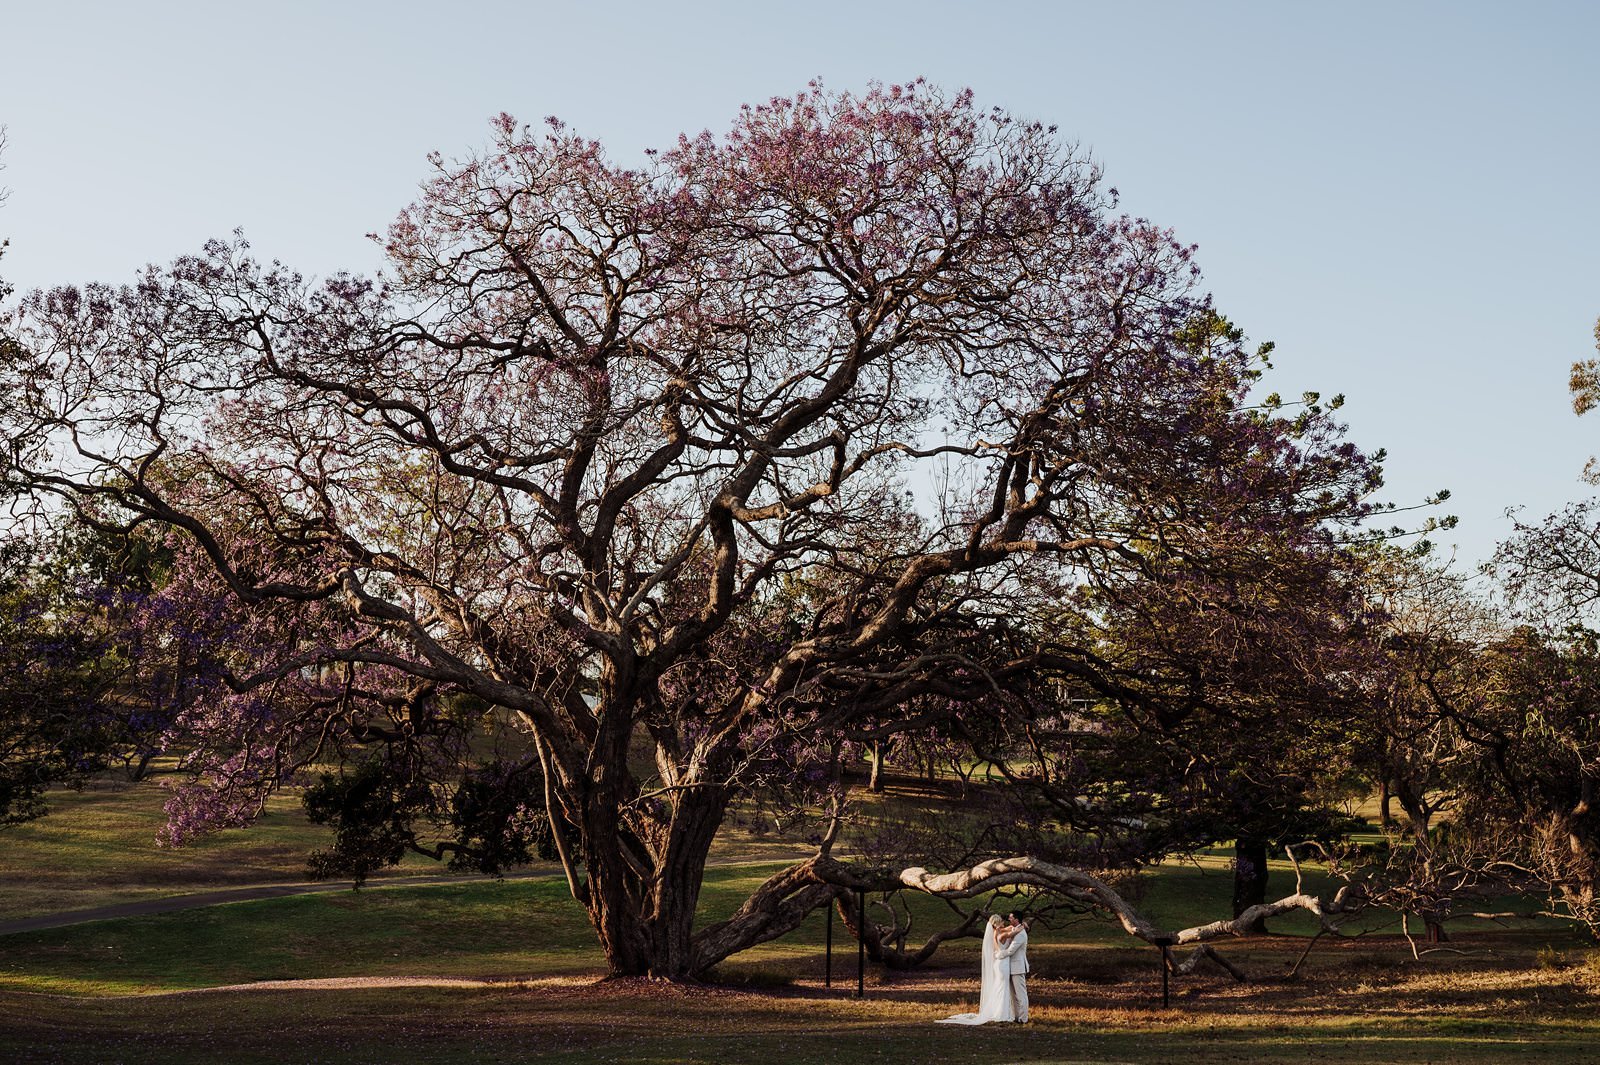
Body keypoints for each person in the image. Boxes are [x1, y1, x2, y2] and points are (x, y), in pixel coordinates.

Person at [937, 914, 1018, 1024]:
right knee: (1002, 987)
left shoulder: (998, 932)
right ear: (997, 924)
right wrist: (1021, 927)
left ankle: (999, 1011)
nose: (1004, 923)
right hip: (1002, 964)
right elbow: (1012, 933)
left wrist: (1014, 926)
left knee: (1000, 986)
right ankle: (1001, 1013)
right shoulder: (999, 934)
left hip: (1001, 963)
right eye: (1001, 922)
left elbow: (1009, 928)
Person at [999, 913, 1031, 1023]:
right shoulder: (1015, 929)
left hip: (1018, 967)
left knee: (1021, 994)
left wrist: (998, 955)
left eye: (1011, 918)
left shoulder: (1021, 934)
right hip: (1010, 967)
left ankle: (1023, 1018)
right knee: (1013, 995)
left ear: (1016, 919)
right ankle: (1016, 1016)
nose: (1009, 919)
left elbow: (1011, 950)